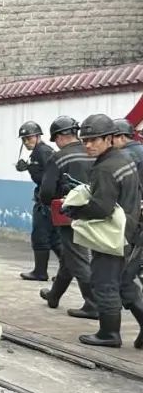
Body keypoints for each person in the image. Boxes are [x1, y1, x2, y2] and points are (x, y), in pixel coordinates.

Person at [65, 114, 143, 348]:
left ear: (109, 138)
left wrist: (75, 210)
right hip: (132, 231)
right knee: (125, 282)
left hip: (114, 236)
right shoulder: (124, 158)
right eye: (85, 140)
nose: (88, 145)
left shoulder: (105, 168)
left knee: (104, 282)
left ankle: (109, 333)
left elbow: (101, 208)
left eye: (94, 140)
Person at [38, 116, 98, 318]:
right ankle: (54, 295)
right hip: (95, 211)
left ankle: (94, 304)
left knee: (78, 259)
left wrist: (48, 203)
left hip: (69, 213)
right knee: (69, 256)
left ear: (59, 137)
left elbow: (46, 192)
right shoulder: (93, 153)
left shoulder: (59, 157)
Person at [16, 121, 61, 281]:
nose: (26, 142)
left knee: (40, 236)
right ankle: (68, 271)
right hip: (49, 200)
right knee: (54, 238)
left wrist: (31, 169)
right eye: (24, 139)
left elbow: (50, 177)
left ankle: (40, 272)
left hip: (47, 201)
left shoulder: (43, 151)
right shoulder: (39, 152)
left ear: (38, 136)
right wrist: (28, 167)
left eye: (29, 138)